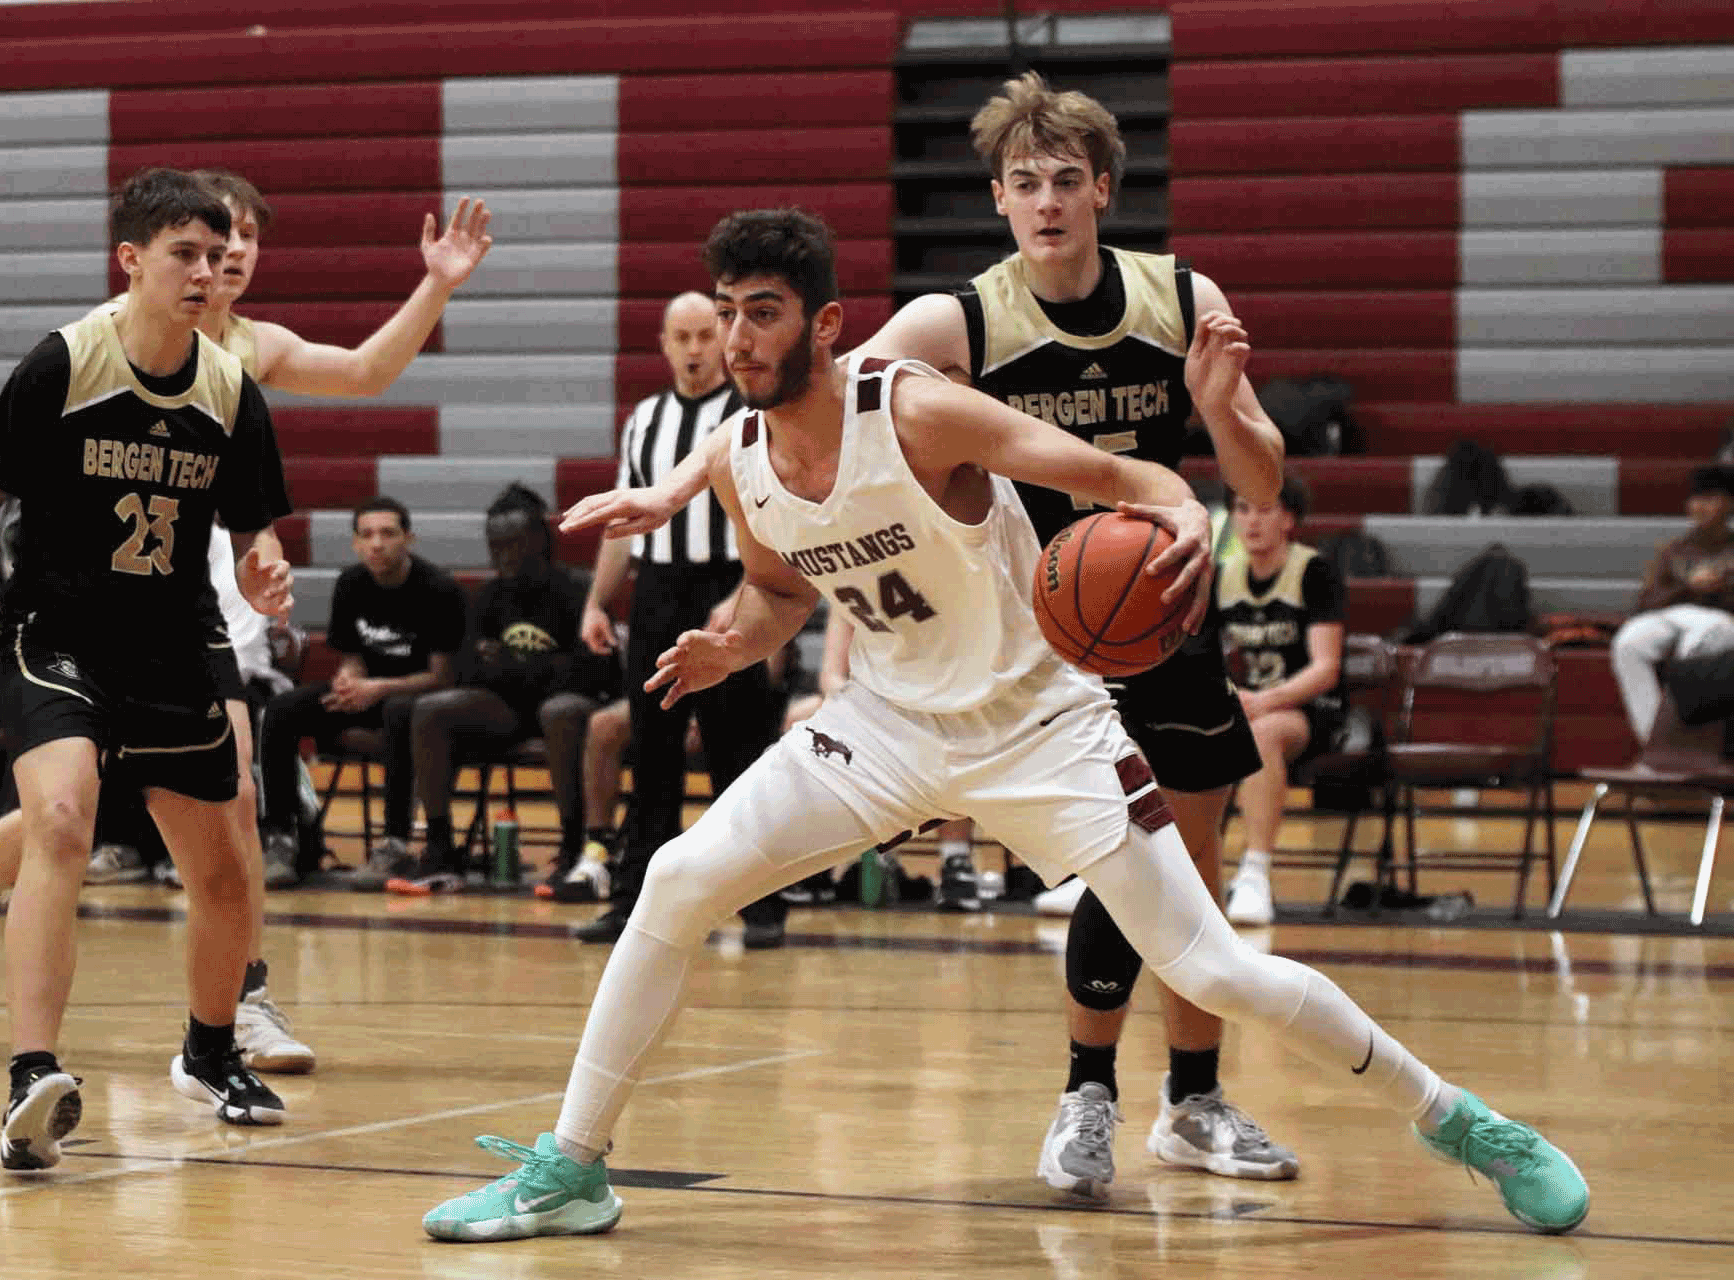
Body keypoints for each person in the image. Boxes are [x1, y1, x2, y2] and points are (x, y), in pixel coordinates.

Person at [421, 209, 1587, 1244]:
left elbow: (1114, 475)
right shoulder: (737, 457)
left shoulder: (917, 413)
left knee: (1214, 967)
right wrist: (735, 640)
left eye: (761, 312)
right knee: (676, 878)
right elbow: (778, 589)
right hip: (885, 725)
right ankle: (573, 1167)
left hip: (1041, 725)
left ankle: (1463, 1121)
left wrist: (1184, 512)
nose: (736, 338)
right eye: (726, 312)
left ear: (825, 324)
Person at [564, 73, 1297, 1196]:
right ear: (998, 198)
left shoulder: (1181, 296)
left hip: (1154, 594)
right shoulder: (959, 320)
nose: (1046, 201)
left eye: (1065, 180)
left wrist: (1217, 402)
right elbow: (807, 391)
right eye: (1023, 182)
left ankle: (1194, 1100)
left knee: (1187, 872)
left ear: (1103, 188)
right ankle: (1087, 1091)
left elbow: (1261, 481)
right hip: (1030, 625)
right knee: (1114, 874)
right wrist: (671, 490)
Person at [0, 169, 492, 1074]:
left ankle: (238, 1002)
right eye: (214, 242)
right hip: (79, 608)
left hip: (196, 610)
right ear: (146, 257)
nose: (231, 258)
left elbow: (367, 373)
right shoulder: (91, 350)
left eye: (243, 241)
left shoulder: (249, 351)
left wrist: (438, 286)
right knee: (73, 810)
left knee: (231, 804)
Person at [0, 168, 296, 1169]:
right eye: (185, 253)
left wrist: (265, 568)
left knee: (221, 869)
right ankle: (31, 1075)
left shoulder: (230, 390)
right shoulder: (64, 363)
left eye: (217, 255)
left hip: (170, 643)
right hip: (55, 633)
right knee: (62, 817)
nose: (207, 271)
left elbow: (255, 531)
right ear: (131, 260)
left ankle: (210, 1050)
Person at [570, 292, 788, 949]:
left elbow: (778, 513)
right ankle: (632, 904)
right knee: (651, 753)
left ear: (722, 337)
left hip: (730, 586)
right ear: (664, 345)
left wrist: (749, 593)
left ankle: (761, 907)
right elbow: (624, 522)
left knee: (736, 755)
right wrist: (597, 602)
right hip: (658, 592)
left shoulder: (751, 414)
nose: (694, 349)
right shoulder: (644, 419)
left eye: (704, 335)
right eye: (681, 337)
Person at [389, 482, 605, 890]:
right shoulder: (488, 596)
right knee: (431, 708)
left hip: (567, 711)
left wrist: (513, 665)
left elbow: (594, 673)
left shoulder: (576, 591)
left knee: (558, 710)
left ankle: (574, 844)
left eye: (513, 544)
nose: (502, 555)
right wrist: (528, 669)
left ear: (539, 542)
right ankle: (439, 848)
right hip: (508, 709)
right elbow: (468, 671)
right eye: (495, 545)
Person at [260, 495, 464, 886]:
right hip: (368, 693)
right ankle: (281, 838)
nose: (377, 544)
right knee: (282, 709)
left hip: (417, 698)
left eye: (388, 533)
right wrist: (347, 681)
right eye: (367, 535)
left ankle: (395, 843)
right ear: (355, 543)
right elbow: (352, 657)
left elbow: (443, 677)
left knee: (398, 711)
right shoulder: (351, 583)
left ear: (409, 538)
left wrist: (377, 688)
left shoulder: (438, 588)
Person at [1214, 476, 1347, 926]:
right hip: (1251, 707)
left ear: (1289, 519)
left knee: (1262, 734)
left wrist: (1267, 701)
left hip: (1313, 710)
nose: (1251, 521)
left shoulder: (1314, 571)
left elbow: (1326, 668)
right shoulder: (1222, 575)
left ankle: (1254, 873)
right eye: (1242, 509)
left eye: (1264, 509)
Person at [1609, 464, 1734, 744]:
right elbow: (1646, 602)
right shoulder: (1674, 550)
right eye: (1696, 499)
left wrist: (1721, 587)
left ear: (1730, 504)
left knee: (1702, 640)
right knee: (1628, 643)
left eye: (1710, 498)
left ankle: (1687, 738)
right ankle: (1654, 739)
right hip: (1674, 616)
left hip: (1723, 620)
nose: (1700, 506)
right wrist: (1688, 585)